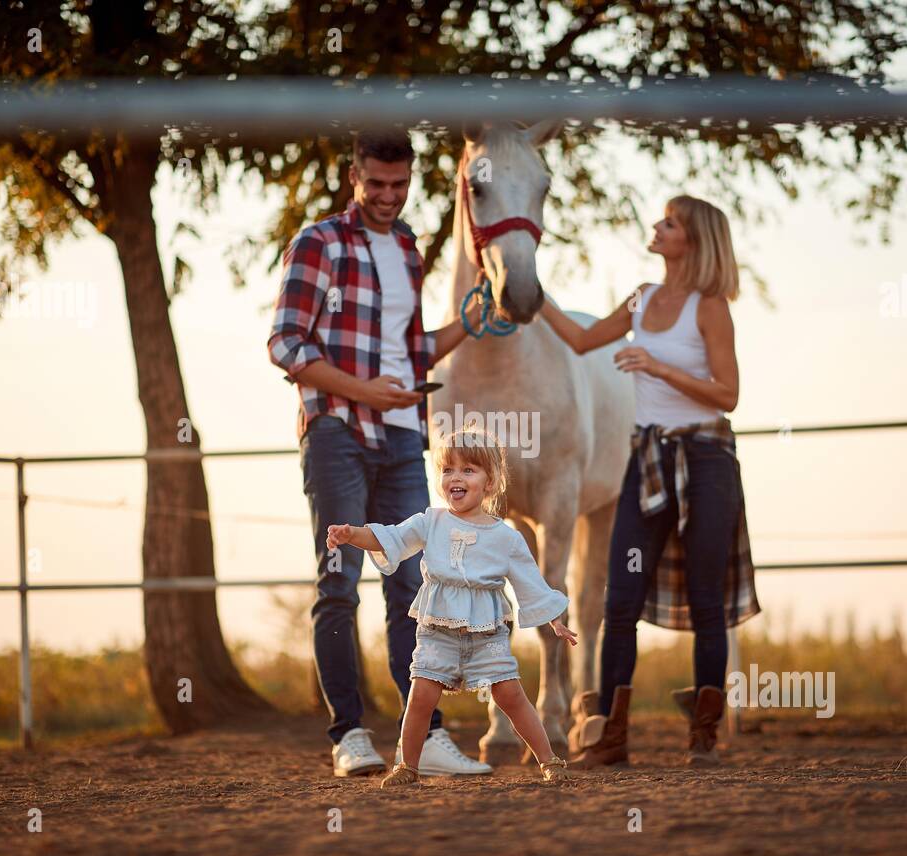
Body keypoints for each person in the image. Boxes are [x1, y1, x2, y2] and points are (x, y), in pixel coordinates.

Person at [268, 129, 484, 778]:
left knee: (413, 584)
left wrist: (468, 326)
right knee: (339, 581)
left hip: (401, 438)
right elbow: (285, 346)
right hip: (336, 430)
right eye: (377, 184)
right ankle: (348, 735)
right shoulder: (319, 243)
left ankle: (426, 737)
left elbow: (413, 354)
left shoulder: (411, 249)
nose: (389, 196)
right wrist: (363, 390)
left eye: (400, 184)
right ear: (354, 176)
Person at [537, 195, 761, 767]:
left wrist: (657, 367)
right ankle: (611, 737)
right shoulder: (640, 298)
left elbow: (729, 394)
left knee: (707, 600)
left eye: (670, 223)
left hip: (706, 460)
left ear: (693, 240)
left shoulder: (710, 308)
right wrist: (532, 292)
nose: (657, 228)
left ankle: (703, 737)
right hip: (647, 461)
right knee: (621, 600)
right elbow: (583, 341)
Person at [326, 429, 577, 787]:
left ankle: (550, 761)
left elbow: (531, 583)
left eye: (469, 470)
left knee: (511, 694)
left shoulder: (506, 537)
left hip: (486, 631)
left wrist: (555, 620)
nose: (456, 477)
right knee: (421, 696)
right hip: (437, 628)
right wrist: (353, 535)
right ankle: (407, 766)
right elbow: (391, 538)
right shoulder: (431, 522)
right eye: (448, 469)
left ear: (491, 483)